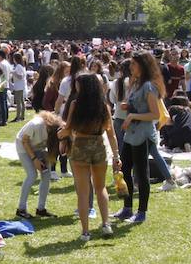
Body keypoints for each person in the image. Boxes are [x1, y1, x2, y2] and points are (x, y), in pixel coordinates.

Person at [58, 74, 119, 241]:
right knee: (101, 188)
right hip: (99, 146)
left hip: (80, 148)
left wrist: (59, 132)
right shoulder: (103, 106)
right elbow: (111, 134)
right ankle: (106, 224)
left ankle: (85, 232)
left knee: (83, 193)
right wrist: (116, 155)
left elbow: (68, 129)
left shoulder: (76, 105)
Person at [115, 52, 165, 224]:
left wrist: (132, 116)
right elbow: (137, 105)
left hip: (143, 134)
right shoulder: (135, 84)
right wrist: (128, 106)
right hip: (131, 134)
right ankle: (127, 208)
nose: (131, 67)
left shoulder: (149, 86)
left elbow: (154, 114)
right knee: (125, 169)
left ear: (143, 66)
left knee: (141, 173)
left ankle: (141, 212)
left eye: (134, 65)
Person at [14, 111, 64, 220]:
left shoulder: (53, 134)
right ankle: (21, 209)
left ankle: (41, 209)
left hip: (38, 147)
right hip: (23, 146)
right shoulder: (36, 125)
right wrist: (34, 159)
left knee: (46, 175)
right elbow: (25, 141)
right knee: (32, 175)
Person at [10, 52, 27, 122]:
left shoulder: (19, 66)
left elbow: (20, 76)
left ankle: (18, 117)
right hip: (20, 85)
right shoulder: (21, 66)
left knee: (19, 102)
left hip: (19, 86)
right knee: (21, 102)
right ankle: (22, 116)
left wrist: (13, 72)